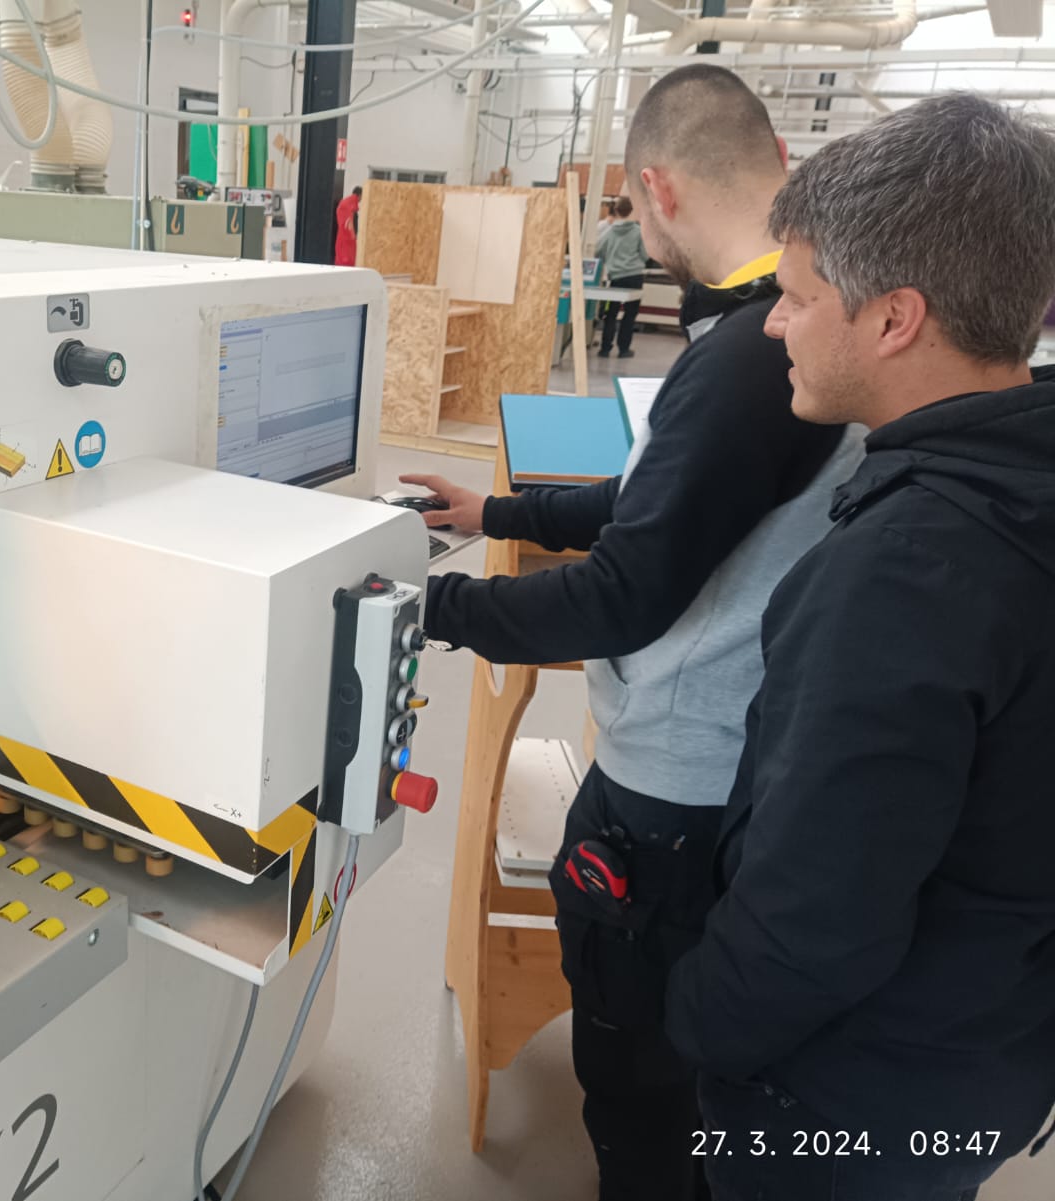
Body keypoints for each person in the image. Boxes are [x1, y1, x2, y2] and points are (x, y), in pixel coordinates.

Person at [400, 64, 864, 1201]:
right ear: (780, 161)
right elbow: (666, 499)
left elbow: (620, 594)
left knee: (638, 1082)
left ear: (652, 188)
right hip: (745, 761)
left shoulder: (746, 355)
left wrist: (423, 608)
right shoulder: (801, 325)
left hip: (677, 791)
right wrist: (499, 513)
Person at [666, 92, 1055, 1201]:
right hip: (986, 1055)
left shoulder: (905, 575)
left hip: (842, 1108)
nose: (773, 325)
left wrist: (694, 1022)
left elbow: (812, 927)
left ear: (893, 319)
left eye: (795, 296)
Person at [595, 196, 647, 358]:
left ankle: (605, 349)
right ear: (632, 210)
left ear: (616, 210)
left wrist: (611, 260)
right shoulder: (638, 232)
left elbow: (598, 250)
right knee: (630, 315)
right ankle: (624, 349)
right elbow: (645, 255)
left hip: (615, 277)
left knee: (611, 314)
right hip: (635, 276)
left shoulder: (609, 232)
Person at [334, 186, 362, 266]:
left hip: (344, 239)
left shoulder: (347, 204)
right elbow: (348, 224)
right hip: (346, 240)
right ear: (359, 195)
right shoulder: (349, 204)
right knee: (346, 259)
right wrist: (352, 236)